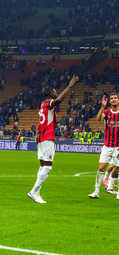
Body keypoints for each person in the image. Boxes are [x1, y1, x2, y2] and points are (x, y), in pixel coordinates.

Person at [28, 75, 79, 203]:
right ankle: (33, 192)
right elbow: (60, 99)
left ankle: (37, 194)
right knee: (48, 167)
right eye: (55, 91)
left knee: (42, 166)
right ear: (50, 94)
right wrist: (69, 86)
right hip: (46, 137)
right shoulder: (48, 104)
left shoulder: (42, 104)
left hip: (41, 137)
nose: (57, 93)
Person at [89, 78, 119, 199]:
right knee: (101, 168)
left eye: (115, 98)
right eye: (111, 98)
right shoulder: (107, 112)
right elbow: (99, 119)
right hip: (107, 145)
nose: (113, 100)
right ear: (109, 101)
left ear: (118, 100)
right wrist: (102, 106)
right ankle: (96, 191)